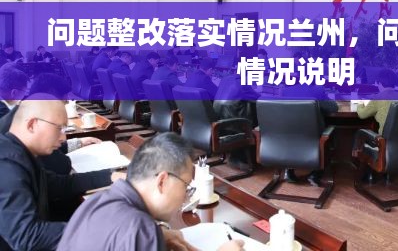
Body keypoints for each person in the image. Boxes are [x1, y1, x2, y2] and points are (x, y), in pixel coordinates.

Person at [57, 133, 243, 251]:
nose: (185, 198)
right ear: (162, 181)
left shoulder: (96, 201)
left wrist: (158, 234)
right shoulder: (140, 231)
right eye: (186, 186)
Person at [0, 96, 124, 251]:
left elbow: (60, 184)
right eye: (59, 128)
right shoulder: (7, 164)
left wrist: (111, 176)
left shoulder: (21, 153)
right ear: (32, 124)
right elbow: (27, 236)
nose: (63, 137)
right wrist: (101, 231)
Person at [280, 83, 339, 186]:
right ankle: (316, 174)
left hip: (288, 137)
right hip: (313, 139)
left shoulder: (285, 90)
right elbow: (333, 108)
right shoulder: (317, 90)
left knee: (294, 130)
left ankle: (289, 171)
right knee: (329, 134)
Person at [357, 69, 398, 134]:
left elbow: (362, 114)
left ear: (380, 83)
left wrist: (360, 103)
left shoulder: (378, 97)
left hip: (384, 139)